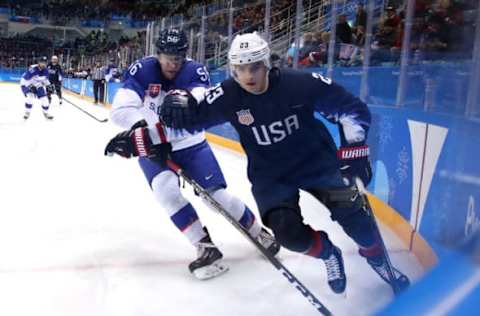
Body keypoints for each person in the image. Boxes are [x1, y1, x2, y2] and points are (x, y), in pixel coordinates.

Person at [159, 32, 410, 294]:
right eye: (240, 69)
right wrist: (152, 132)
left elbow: (351, 109)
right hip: (271, 177)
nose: (248, 76)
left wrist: (355, 149)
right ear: (232, 69)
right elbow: (188, 122)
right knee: (288, 235)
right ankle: (328, 254)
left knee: (357, 219)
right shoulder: (227, 96)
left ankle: (378, 259)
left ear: (267, 63)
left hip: (318, 165)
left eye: (254, 67)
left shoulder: (299, 84)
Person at [104, 28, 280, 280]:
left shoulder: (194, 71)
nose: (172, 63)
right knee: (166, 191)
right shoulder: (142, 69)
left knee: (215, 197)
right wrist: (144, 130)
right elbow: (120, 110)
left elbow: (198, 101)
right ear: (157, 54)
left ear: (184, 56)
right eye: (166, 56)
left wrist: (184, 104)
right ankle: (205, 247)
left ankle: (257, 231)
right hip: (152, 145)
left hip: (190, 144)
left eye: (177, 57)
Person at [20, 56, 53, 120]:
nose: (43, 64)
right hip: (26, 83)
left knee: (44, 99)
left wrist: (49, 86)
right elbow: (25, 79)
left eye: (45, 63)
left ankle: (46, 113)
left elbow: (45, 79)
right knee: (31, 96)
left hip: (37, 84)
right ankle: (27, 112)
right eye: (42, 62)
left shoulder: (46, 70)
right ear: (38, 62)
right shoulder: (33, 69)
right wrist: (30, 86)